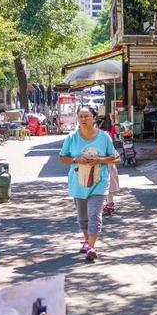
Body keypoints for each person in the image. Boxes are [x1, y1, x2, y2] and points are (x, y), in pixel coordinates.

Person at [59, 106, 119, 261]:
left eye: (87, 116)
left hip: (99, 181)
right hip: (78, 182)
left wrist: (100, 160)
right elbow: (62, 158)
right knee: (82, 216)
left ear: (94, 118)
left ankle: (92, 246)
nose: (84, 119)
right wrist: (76, 160)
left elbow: (116, 158)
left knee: (94, 214)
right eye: (81, 116)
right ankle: (86, 240)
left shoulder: (104, 137)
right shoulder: (71, 138)